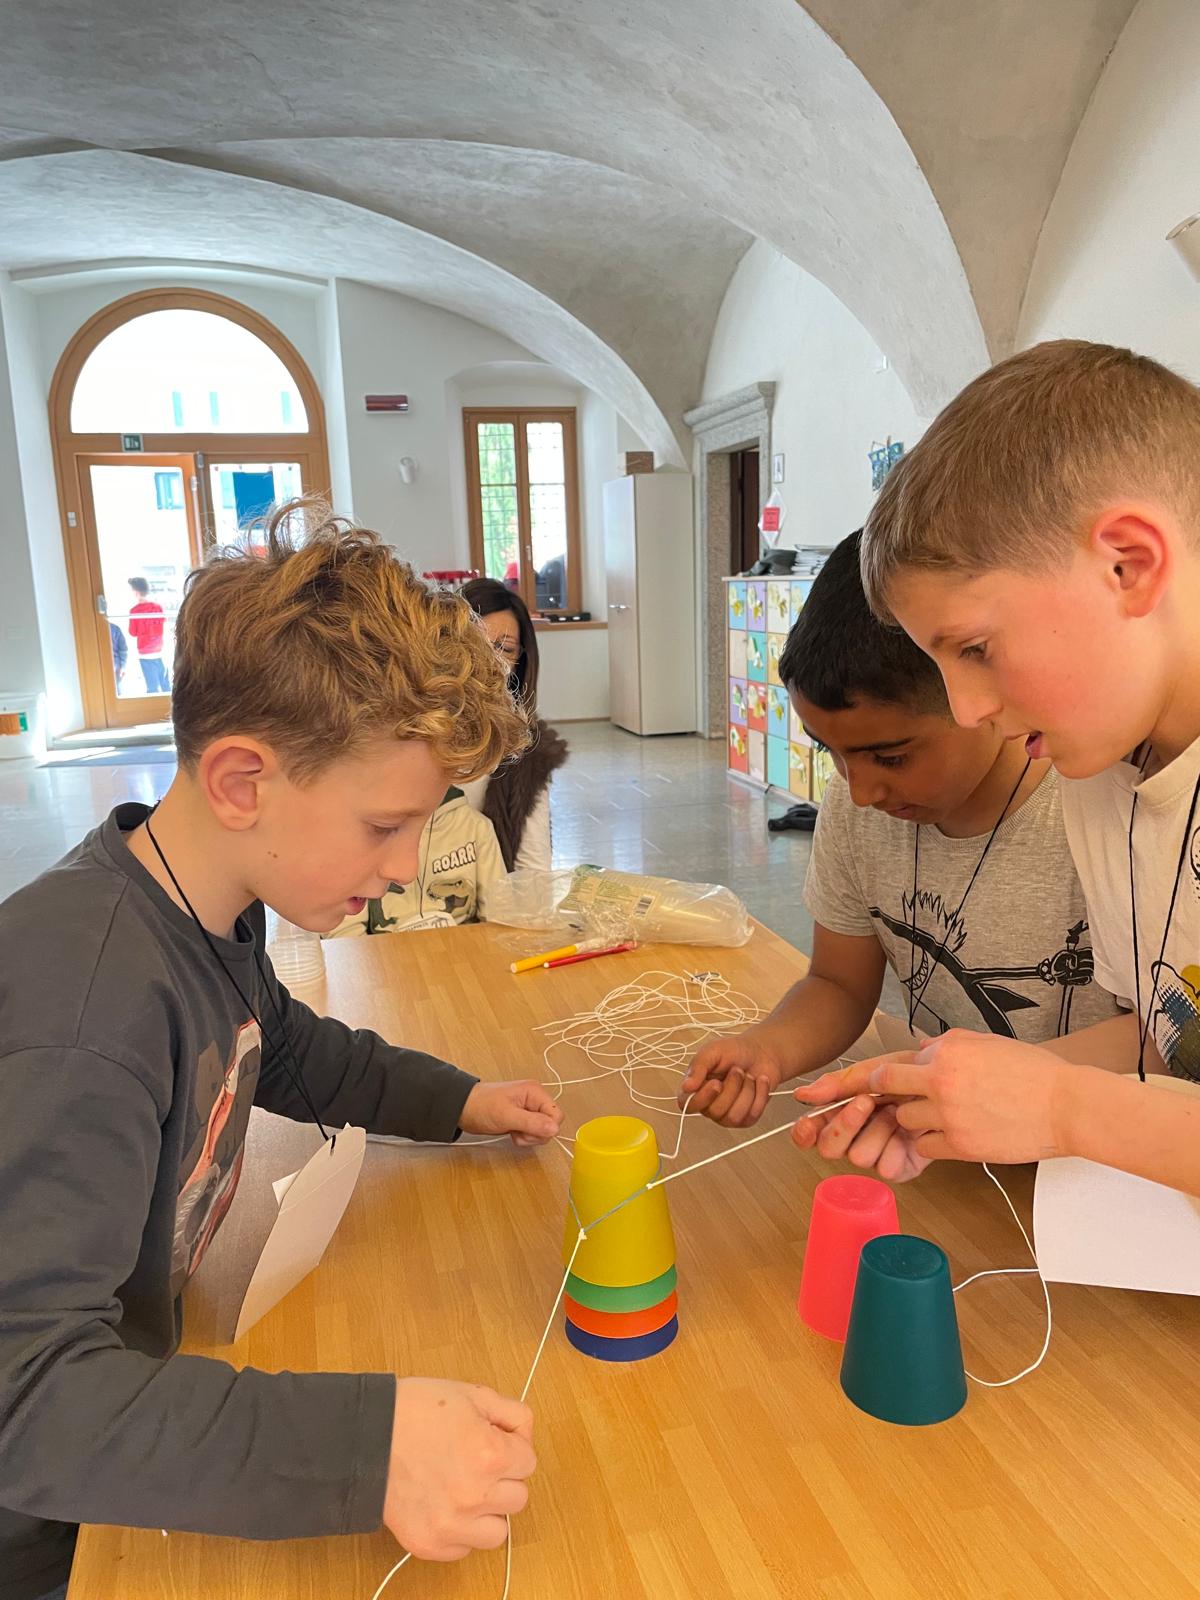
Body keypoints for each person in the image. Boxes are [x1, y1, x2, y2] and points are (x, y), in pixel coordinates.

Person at [0, 502, 564, 1600]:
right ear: (242, 783)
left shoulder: (203, 905)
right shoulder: (84, 1013)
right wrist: (370, 1448)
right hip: (51, 1532)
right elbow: (27, 1396)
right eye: (384, 825)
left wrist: (457, 1101)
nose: (404, 866)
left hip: (121, 1436)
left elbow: (283, 1046)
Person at [795, 341, 1200, 1197]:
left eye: (975, 649)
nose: (968, 707)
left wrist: (1064, 1109)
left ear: (1129, 565)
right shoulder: (1103, 770)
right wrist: (946, 1093)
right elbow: (1168, 1041)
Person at [680, 529, 1118, 1131]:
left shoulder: (1095, 813)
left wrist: (1029, 1102)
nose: (861, 792)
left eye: (890, 757)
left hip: (1095, 1148)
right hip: (950, 1144)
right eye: (830, 752)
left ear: (980, 696)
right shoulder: (856, 805)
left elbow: (1159, 1045)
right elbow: (838, 982)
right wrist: (768, 1049)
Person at [459, 578, 568, 873]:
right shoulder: (404, 738)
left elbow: (533, 868)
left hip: (490, 896)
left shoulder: (527, 752)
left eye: (505, 648)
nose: (489, 660)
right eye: (473, 642)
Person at [328, 785, 506, 934]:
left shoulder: (476, 827)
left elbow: (498, 913)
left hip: (461, 947)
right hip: (381, 952)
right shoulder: (359, 833)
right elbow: (345, 931)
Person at [127, 576, 171, 694]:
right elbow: (163, 623)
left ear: (136, 592)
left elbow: (132, 632)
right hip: (160, 650)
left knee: (152, 688)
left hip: (145, 652)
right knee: (166, 685)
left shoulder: (134, 611)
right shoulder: (158, 607)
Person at [109, 620, 127, 691]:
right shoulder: (114, 628)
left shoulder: (89, 629)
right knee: (116, 690)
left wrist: (123, 666)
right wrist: (123, 665)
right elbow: (123, 649)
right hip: (115, 663)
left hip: (112, 664)